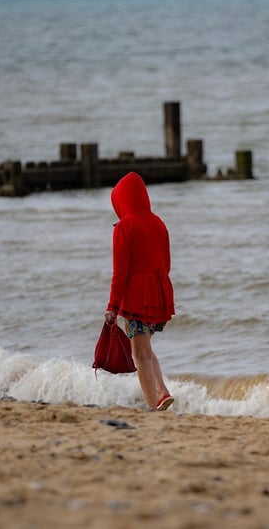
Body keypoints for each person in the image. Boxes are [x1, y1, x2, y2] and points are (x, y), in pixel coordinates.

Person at [104, 172, 176, 411]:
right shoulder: (159, 222)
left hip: (136, 298)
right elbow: (166, 264)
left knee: (139, 354)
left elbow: (120, 272)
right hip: (160, 294)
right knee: (146, 348)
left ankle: (152, 405)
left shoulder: (124, 227)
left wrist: (112, 306)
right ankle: (162, 391)